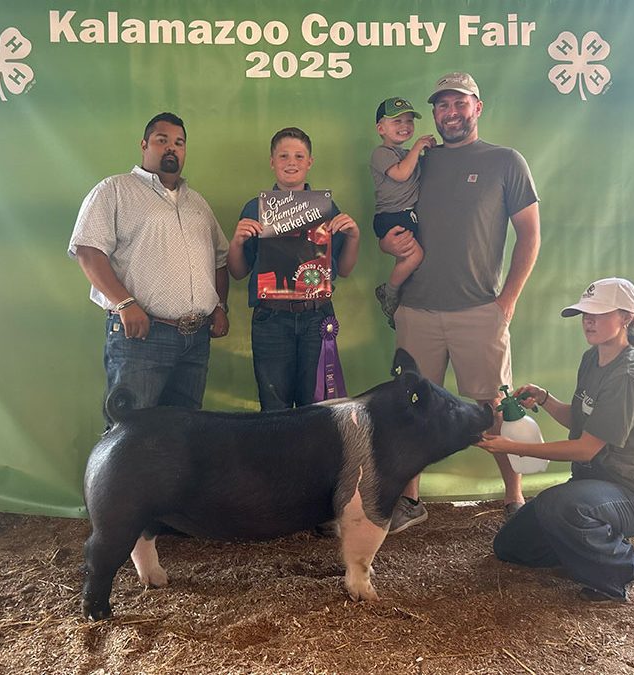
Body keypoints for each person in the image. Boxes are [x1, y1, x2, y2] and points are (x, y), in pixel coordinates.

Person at [380, 72, 541, 533]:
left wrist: (506, 301)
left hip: (478, 310)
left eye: (459, 103)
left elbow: (530, 235)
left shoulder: (506, 162)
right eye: (442, 106)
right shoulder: (417, 162)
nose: (450, 113)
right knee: (412, 405)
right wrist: (388, 246)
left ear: (477, 107)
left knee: (493, 406)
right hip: (417, 309)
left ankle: (515, 498)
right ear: (435, 114)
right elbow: (388, 219)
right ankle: (410, 501)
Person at [478, 277, 634, 603]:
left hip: (630, 493)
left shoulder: (631, 374)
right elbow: (580, 421)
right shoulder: (592, 359)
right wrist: (545, 398)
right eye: (584, 313)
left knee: (559, 505)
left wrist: (511, 448)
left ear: (625, 317)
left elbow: (585, 447)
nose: (588, 320)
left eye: (598, 313)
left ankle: (622, 568)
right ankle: (587, 550)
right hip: (591, 485)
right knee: (510, 545)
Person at [68, 112, 230, 414]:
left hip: (195, 340)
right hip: (142, 336)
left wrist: (220, 306)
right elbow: (88, 251)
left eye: (179, 143)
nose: (172, 147)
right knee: (130, 434)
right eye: (162, 140)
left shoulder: (197, 203)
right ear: (144, 145)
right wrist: (125, 303)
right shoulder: (114, 190)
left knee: (186, 436)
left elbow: (220, 257)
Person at [227, 127, 360, 410]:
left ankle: (313, 457)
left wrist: (354, 236)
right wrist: (236, 243)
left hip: (317, 318)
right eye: (284, 155)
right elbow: (238, 272)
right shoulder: (255, 209)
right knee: (275, 409)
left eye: (299, 156)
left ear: (309, 162)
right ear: (272, 161)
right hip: (271, 320)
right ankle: (280, 457)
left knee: (318, 408)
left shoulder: (327, 209)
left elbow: (344, 270)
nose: (291, 162)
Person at [370, 97, 435, 328]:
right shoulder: (381, 153)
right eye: (397, 121)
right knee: (415, 256)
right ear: (381, 128)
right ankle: (389, 294)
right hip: (392, 216)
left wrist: (429, 152)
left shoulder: (406, 153)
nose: (404, 125)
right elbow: (401, 174)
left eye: (409, 121)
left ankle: (398, 302)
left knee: (406, 260)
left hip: (405, 215)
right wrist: (417, 148)